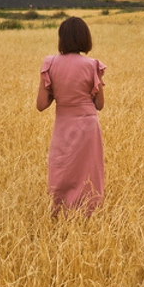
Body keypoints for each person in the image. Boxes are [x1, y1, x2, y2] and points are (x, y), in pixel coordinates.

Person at [36, 16, 106, 218]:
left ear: (61, 39)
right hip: (88, 126)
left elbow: (41, 105)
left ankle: (60, 212)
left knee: (62, 167)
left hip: (63, 124)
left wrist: (56, 92)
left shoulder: (50, 64)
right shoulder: (93, 65)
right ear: (86, 38)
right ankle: (88, 213)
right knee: (89, 170)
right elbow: (100, 105)